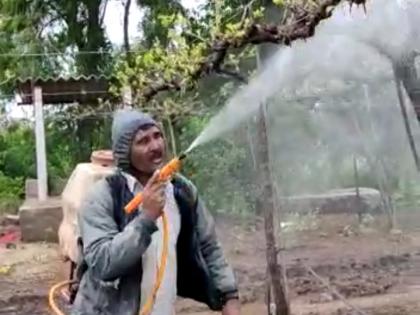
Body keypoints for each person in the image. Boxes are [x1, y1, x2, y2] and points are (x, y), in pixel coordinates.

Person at [71, 109, 240, 315]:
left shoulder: (183, 192)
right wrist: (146, 219)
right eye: (143, 141)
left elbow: (209, 246)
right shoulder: (102, 197)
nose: (156, 146)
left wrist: (229, 296)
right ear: (125, 153)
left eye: (157, 136)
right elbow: (103, 264)